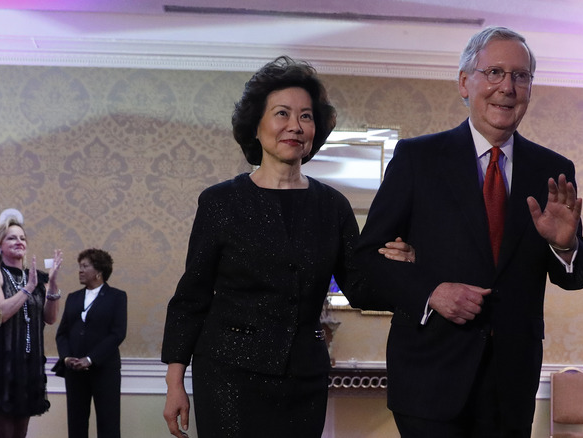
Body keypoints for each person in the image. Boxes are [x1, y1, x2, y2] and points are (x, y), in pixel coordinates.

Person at [354, 26, 583, 437]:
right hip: (429, 380)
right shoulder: (419, 158)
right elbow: (365, 263)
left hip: (510, 387)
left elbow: (578, 275)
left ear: (530, 89)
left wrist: (566, 244)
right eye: (495, 73)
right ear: (466, 82)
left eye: (520, 76)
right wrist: (431, 292)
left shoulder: (551, 171)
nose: (507, 87)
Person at [160, 56, 414, 438]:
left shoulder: (333, 205)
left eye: (306, 116)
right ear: (257, 125)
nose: (295, 126)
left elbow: (360, 287)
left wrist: (402, 265)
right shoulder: (220, 202)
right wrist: (175, 381)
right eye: (282, 113)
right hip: (228, 376)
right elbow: (191, 297)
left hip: (303, 379)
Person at [0, 217, 63, 438]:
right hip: (2, 363)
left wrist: (54, 283)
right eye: (11, 238)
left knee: (20, 434)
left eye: (22, 238)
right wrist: (28, 289)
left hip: (30, 364)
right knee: (3, 434)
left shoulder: (39, 278)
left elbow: (50, 318)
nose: (19, 241)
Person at [54, 248, 127, 438]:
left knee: (108, 424)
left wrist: (90, 358)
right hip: (74, 371)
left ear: (99, 272)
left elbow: (118, 334)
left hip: (104, 369)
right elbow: (62, 334)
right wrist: (67, 357)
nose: (80, 270)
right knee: (76, 424)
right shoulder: (73, 298)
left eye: (85, 266)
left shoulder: (117, 297)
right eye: (80, 266)